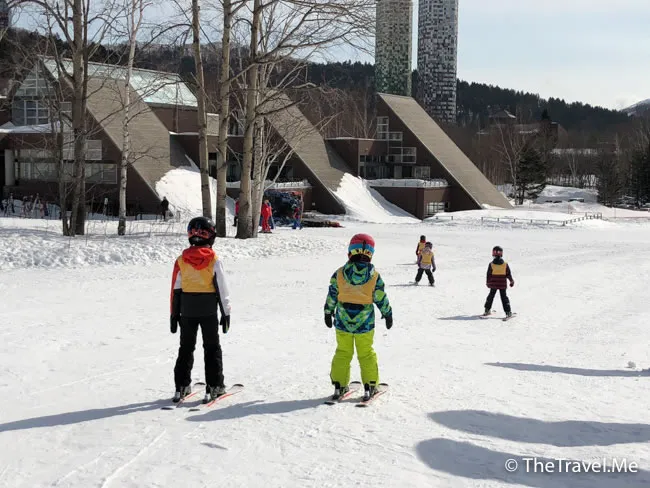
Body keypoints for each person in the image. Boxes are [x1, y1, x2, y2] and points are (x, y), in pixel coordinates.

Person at [170, 216, 232, 403]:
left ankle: (181, 386)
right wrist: (226, 313)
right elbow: (222, 288)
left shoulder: (181, 260)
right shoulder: (214, 260)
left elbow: (176, 289)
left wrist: (174, 313)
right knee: (211, 347)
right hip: (208, 311)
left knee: (186, 348)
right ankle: (215, 386)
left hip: (187, 311)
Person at [324, 233, 393, 401]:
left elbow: (332, 294)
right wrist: (387, 313)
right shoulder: (374, 276)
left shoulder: (340, 273)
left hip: (343, 323)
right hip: (364, 324)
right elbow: (380, 296)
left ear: (350, 251)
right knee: (366, 353)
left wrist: (328, 311)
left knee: (343, 352)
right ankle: (370, 386)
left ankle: (339, 385)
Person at [482, 245, 514, 317]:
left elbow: (488, 275)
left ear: (493, 253)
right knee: (504, 298)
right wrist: (511, 281)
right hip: (502, 285)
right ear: (501, 253)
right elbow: (508, 274)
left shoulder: (491, 264)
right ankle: (508, 312)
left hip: (493, 284)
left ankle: (487, 310)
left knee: (491, 296)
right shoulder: (505, 264)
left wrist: (488, 282)